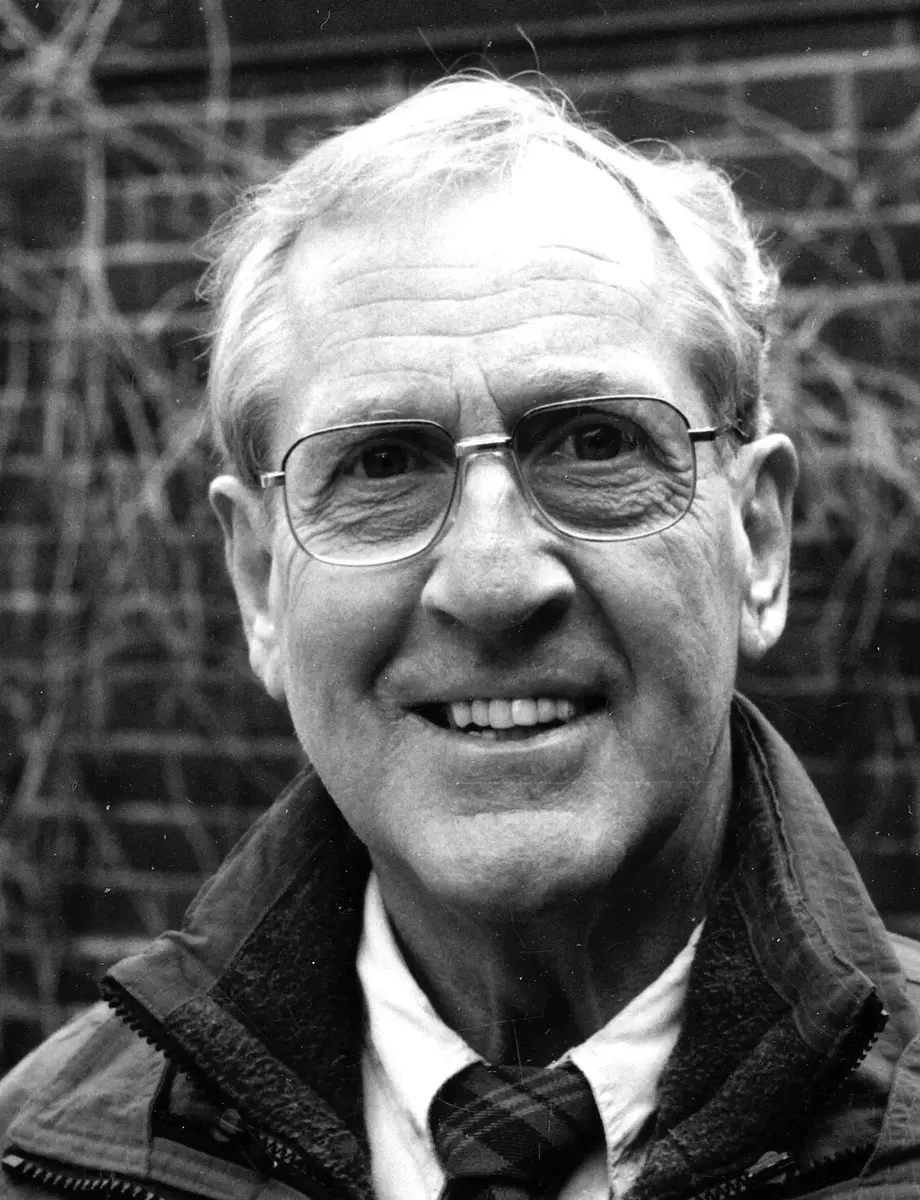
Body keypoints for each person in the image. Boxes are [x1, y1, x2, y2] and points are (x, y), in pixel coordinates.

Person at [1, 73, 919, 1200]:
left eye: (591, 443)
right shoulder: (38, 1156)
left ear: (758, 540)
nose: (491, 582)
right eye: (382, 464)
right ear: (257, 582)